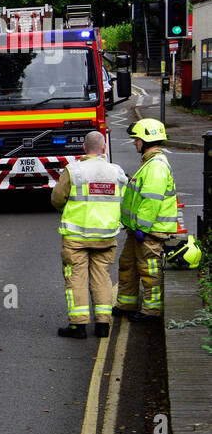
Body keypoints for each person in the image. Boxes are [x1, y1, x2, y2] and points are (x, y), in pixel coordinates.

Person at [50, 130, 127, 339]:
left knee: (76, 278)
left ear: (84, 148)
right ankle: (103, 324)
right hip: (106, 236)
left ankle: (78, 326)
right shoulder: (117, 172)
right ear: (103, 148)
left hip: (76, 237)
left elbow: (57, 199)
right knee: (102, 277)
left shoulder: (74, 171)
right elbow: (125, 201)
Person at [115, 118, 180, 322]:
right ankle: (126, 303)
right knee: (128, 265)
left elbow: (151, 201)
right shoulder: (149, 163)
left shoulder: (156, 166)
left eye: (137, 139)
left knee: (149, 270)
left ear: (146, 140)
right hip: (138, 229)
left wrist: (142, 227)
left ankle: (151, 312)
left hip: (150, 231)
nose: (135, 142)